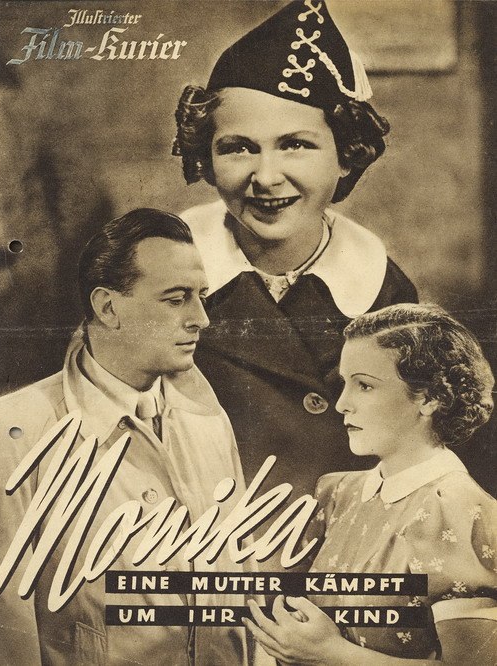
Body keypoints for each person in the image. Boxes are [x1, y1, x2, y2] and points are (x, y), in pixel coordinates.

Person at [173, 0, 418, 498]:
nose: (266, 177)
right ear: (207, 160)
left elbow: (414, 454)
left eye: (295, 145)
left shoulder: (386, 294)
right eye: (238, 147)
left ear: (346, 156)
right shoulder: (155, 273)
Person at [0, 209, 257, 666]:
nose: (201, 319)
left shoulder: (209, 419)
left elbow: (245, 590)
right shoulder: (14, 433)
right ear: (108, 307)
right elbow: (8, 631)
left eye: (201, 296)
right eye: (176, 299)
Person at [243, 303, 497, 664]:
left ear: (430, 398)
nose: (342, 404)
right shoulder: (337, 492)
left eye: (364, 385)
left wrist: (331, 654)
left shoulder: (456, 507)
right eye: (344, 384)